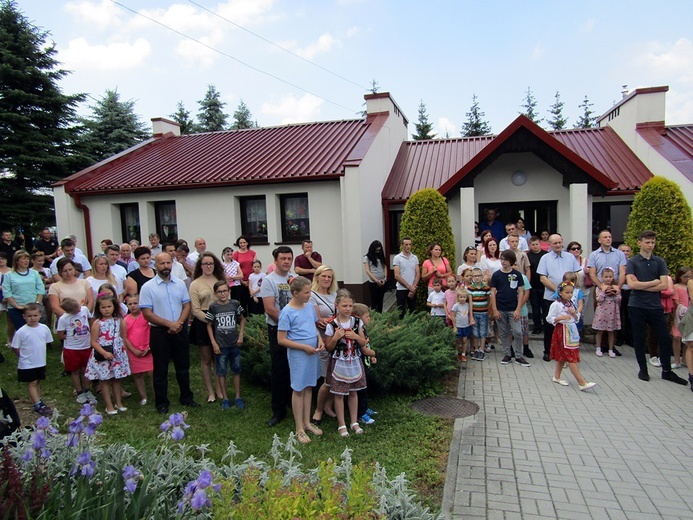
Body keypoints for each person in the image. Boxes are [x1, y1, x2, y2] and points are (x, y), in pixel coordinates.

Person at [139, 252, 199, 414]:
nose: (165, 266)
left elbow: (187, 306)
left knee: (183, 367)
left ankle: (186, 397)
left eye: (168, 263)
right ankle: (162, 403)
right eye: (161, 264)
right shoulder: (148, 287)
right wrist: (169, 324)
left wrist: (179, 323)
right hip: (159, 333)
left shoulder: (179, 284)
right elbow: (147, 313)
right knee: (160, 369)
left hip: (179, 330)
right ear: (155, 265)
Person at [626, 230, 687, 385]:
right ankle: (643, 370)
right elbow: (632, 285)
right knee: (639, 339)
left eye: (653, 242)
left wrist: (642, 285)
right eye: (647, 242)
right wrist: (654, 282)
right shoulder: (632, 262)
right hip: (637, 305)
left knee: (665, 338)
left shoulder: (659, 262)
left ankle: (667, 371)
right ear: (639, 242)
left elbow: (664, 285)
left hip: (654, 306)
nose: (650, 245)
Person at [277, 276, 325, 443]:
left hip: (313, 353)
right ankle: (299, 428)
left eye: (310, 291)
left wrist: (319, 339)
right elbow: (281, 339)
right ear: (295, 293)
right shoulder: (287, 312)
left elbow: (314, 327)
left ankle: (307, 422)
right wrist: (304, 347)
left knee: (309, 386)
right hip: (299, 355)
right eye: (306, 292)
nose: (309, 295)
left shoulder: (310, 307)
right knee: (298, 388)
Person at [325, 289, 375, 437]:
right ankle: (341, 424)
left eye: (350, 306)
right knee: (339, 394)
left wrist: (355, 336)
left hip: (354, 360)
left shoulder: (357, 322)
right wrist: (335, 338)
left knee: (354, 392)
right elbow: (328, 348)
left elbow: (362, 342)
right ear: (337, 306)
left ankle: (354, 421)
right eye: (344, 306)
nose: (347, 309)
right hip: (339, 362)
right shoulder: (331, 325)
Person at [261, 246, 294, 427]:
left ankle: (293, 402)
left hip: (295, 332)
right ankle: (278, 410)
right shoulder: (269, 281)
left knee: (293, 367)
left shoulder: (295, 278)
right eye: (283, 258)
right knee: (279, 369)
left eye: (289, 258)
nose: (286, 261)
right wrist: (287, 326)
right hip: (278, 330)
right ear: (276, 260)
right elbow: (270, 309)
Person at [189, 252, 227, 404]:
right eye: (205, 264)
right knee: (206, 359)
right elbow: (195, 309)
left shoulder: (221, 280)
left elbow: (227, 300)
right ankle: (210, 392)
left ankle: (219, 390)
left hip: (221, 320)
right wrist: (210, 321)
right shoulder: (195, 284)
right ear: (201, 266)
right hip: (203, 322)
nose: (208, 266)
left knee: (218, 358)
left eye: (211, 263)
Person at [84, 294, 132, 415]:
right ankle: (109, 405)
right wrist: (104, 353)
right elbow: (93, 341)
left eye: (109, 306)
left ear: (114, 307)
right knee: (105, 381)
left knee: (117, 379)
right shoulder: (97, 323)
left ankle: (119, 402)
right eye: (103, 307)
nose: (106, 309)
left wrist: (124, 354)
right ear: (99, 309)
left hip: (117, 354)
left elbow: (123, 337)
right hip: (103, 355)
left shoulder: (119, 321)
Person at [537, 234, 581, 362]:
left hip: (568, 298)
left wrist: (567, 291)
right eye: (554, 243)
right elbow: (543, 278)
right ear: (550, 244)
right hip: (551, 297)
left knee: (567, 326)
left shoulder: (570, 257)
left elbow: (576, 275)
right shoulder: (545, 258)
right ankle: (548, 351)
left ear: (562, 242)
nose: (557, 245)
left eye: (559, 242)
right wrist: (558, 290)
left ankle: (565, 353)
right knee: (550, 325)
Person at [546, 282, 596, 390]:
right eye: (566, 292)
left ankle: (557, 376)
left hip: (571, 330)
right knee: (570, 356)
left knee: (564, 355)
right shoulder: (556, 304)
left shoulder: (571, 304)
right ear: (560, 293)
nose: (569, 295)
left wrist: (573, 313)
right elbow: (549, 318)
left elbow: (577, 318)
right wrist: (560, 318)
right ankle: (581, 382)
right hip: (562, 330)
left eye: (571, 292)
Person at [206, 280, 246, 411]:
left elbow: (242, 319)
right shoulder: (213, 307)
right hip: (221, 345)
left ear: (229, 292)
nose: (222, 294)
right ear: (215, 293)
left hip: (234, 343)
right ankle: (225, 398)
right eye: (219, 292)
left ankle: (238, 396)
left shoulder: (234, 304)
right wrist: (213, 343)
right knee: (221, 371)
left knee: (236, 370)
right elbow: (209, 325)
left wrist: (240, 335)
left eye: (225, 291)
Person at [10, 303, 54, 416]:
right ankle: (37, 404)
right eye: (29, 316)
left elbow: (46, 342)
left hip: (40, 361)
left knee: (38, 381)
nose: (32, 318)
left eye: (35, 315)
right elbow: (15, 347)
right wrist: (22, 356)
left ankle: (38, 400)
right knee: (32, 382)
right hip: (27, 363)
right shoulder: (21, 332)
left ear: (40, 315)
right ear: (24, 316)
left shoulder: (44, 328)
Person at [309, 265, 339, 425]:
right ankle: (318, 409)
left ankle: (329, 405)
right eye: (324, 276)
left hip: (335, 339)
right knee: (325, 375)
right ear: (317, 277)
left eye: (330, 277)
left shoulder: (335, 295)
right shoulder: (312, 295)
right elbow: (317, 319)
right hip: (320, 339)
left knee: (335, 373)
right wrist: (327, 320)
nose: (327, 279)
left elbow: (339, 315)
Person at [490, 250, 530, 367]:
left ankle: (518, 355)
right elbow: (493, 293)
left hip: (513, 308)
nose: (503, 262)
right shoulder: (496, 275)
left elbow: (521, 292)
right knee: (503, 332)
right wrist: (495, 309)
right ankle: (507, 354)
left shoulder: (517, 275)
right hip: (501, 307)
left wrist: (518, 309)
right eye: (501, 259)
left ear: (511, 261)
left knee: (517, 332)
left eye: (505, 259)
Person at [55, 297, 96, 405]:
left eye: (78, 307)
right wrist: (72, 337)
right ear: (69, 311)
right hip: (72, 349)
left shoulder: (84, 310)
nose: (79, 310)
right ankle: (79, 392)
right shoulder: (64, 319)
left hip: (86, 346)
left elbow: (90, 320)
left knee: (86, 369)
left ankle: (87, 389)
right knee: (75, 371)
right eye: (76, 310)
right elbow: (60, 334)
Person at [2, 250, 45, 341]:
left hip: (33, 307)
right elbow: (7, 292)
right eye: (23, 259)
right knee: (22, 331)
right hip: (16, 308)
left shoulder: (34, 273)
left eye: (27, 259)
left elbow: (40, 289)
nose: (26, 261)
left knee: (35, 329)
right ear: (17, 261)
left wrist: (36, 303)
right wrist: (17, 305)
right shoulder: (9, 275)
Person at [124, 294, 153, 406]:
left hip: (148, 349)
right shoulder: (125, 320)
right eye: (130, 304)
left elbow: (151, 331)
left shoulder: (146, 316)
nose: (132, 306)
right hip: (134, 351)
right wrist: (133, 350)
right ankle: (143, 397)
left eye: (135, 303)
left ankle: (156, 395)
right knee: (137, 375)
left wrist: (150, 347)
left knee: (152, 373)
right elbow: (124, 337)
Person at [352, 302, 378, 425]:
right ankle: (360, 414)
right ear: (358, 317)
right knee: (361, 390)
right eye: (367, 316)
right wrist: (373, 353)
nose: (369, 319)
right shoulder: (357, 331)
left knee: (365, 388)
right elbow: (364, 349)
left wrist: (371, 357)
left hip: (366, 363)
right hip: (360, 364)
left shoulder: (362, 329)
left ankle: (364, 408)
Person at [592, 267, 621, 358]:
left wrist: (615, 292)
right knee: (600, 330)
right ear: (602, 277)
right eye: (606, 277)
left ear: (613, 277)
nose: (608, 278)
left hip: (612, 313)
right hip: (602, 312)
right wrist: (604, 291)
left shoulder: (615, 287)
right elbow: (598, 299)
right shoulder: (599, 288)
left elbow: (619, 299)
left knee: (611, 331)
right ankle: (598, 348)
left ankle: (611, 349)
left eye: (610, 276)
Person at [393, 237, 420, 317]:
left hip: (413, 289)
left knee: (413, 311)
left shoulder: (414, 257)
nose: (408, 246)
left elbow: (418, 273)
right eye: (406, 244)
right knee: (401, 312)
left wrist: (413, 288)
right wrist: (409, 286)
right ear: (402, 245)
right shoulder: (397, 258)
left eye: (410, 244)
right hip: (402, 289)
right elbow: (397, 275)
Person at [468, 267, 492, 357]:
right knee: (475, 332)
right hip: (474, 313)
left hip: (483, 313)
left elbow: (489, 299)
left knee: (483, 331)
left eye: (479, 275)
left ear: (482, 276)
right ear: (472, 277)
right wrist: (471, 316)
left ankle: (482, 349)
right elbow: (470, 303)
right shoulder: (470, 288)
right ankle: (476, 348)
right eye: (475, 276)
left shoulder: (486, 288)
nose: (477, 278)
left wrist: (487, 309)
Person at [672, 267, 692, 368]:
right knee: (677, 336)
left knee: (687, 338)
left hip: (690, 315)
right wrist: (682, 308)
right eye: (685, 276)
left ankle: (684, 359)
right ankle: (676, 360)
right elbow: (675, 300)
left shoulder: (691, 286)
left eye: (690, 276)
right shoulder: (676, 286)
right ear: (680, 277)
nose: (688, 279)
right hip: (680, 315)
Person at [526, 236, 547, 335]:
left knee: (545, 307)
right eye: (532, 245)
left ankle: (547, 326)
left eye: (536, 244)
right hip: (533, 286)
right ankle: (537, 326)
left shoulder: (546, 255)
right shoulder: (527, 256)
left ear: (540, 244)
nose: (535, 246)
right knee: (535, 307)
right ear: (530, 245)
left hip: (545, 286)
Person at [232, 235, 256, 312]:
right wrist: (241, 280)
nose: (242, 244)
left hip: (251, 280)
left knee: (252, 299)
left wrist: (251, 280)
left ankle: (252, 317)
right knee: (243, 300)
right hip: (241, 280)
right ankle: (243, 317)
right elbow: (234, 268)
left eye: (244, 242)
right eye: (240, 243)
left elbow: (255, 266)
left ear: (247, 243)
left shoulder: (252, 253)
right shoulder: (236, 254)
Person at [449, 288, 474, 361]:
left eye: (464, 297)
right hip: (458, 326)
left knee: (465, 340)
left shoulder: (467, 305)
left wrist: (470, 320)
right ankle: (456, 352)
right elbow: (453, 316)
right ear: (458, 297)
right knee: (457, 340)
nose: (462, 299)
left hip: (466, 326)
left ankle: (463, 354)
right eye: (461, 297)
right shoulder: (456, 306)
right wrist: (455, 326)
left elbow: (469, 314)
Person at [363, 240, 388, 313]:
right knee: (374, 301)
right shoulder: (366, 258)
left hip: (382, 281)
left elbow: (385, 267)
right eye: (376, 250)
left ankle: (380, 315)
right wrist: (376, 280)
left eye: (379, 250)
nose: (378, 252)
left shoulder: (380, 256)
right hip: (373, 283)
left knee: (380, 300)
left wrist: (385, 278)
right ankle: (374, 316)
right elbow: (368, 271)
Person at [616, 243, 633, 347]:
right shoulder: (618, 262)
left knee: (629, 316)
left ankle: (630, 339)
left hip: (631, 291)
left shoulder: (632, 262)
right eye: (623, 251)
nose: (625, 253)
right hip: (620, 290)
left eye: (627, 251)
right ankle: (619, 338)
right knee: (619, 315)